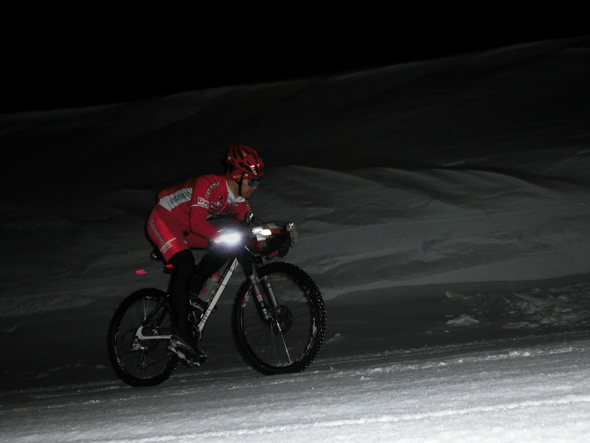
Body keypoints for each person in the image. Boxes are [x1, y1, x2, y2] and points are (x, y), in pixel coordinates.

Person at [146, 143, 264, 365]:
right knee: (186, 263)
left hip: (187, 228)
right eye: (253, 180)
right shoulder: (208, 184)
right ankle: (181, 335)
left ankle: (192, 291)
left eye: (259, 181)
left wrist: (272, 241)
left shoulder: (240, 202)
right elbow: (199, 223)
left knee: (231, 242)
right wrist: (224, 235)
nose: (256, 186)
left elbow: (249, 233)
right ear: (238, 176)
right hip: (164, 219)